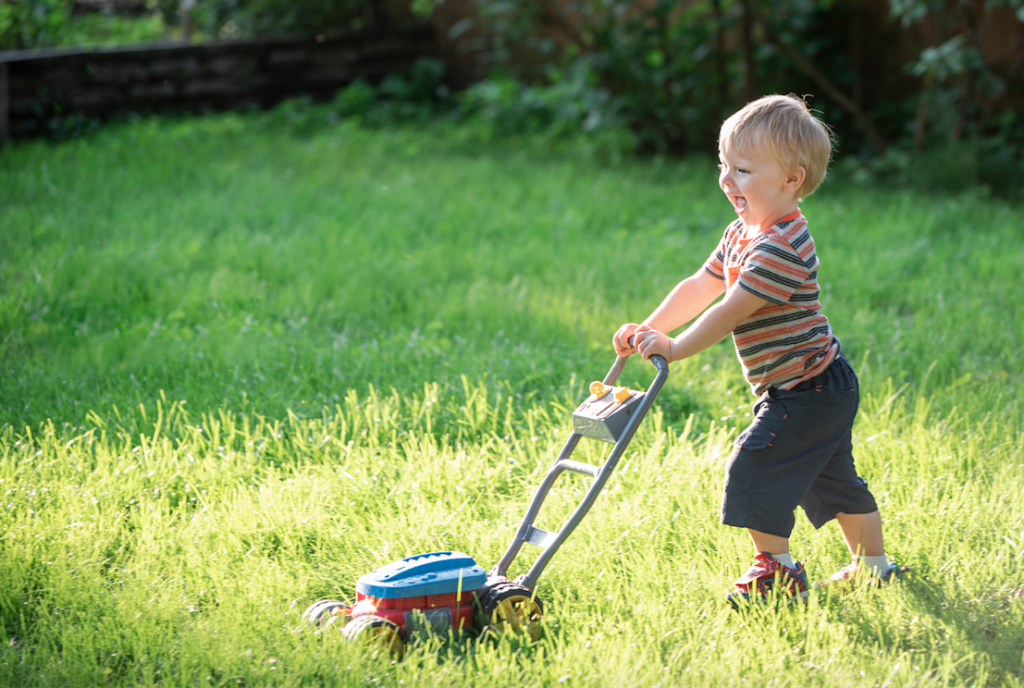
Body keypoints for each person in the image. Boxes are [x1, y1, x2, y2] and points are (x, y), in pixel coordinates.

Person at [613, 94, 901, 606]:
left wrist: (675, 348)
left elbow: (728, 311)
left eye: (742, 169)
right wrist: (648, 328)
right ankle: (874, 567)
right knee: (833, 478)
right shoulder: (743, 233)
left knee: (754, 467)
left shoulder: (781, 248)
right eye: (723, 165)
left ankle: (778, 571)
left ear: (791, 179)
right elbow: (702, 285)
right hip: (818, 384)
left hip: (807, 389)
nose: (727, 179)